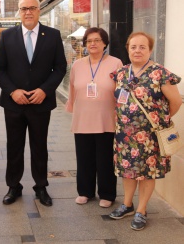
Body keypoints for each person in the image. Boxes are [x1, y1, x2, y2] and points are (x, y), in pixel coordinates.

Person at [0, 0, 67, 207]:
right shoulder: (7, 36)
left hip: (40, 102)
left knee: (39, 146)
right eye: (24, 8)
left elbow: (60, 67)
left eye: (32, 8)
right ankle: (13, 186)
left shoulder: (52, 35)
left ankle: (41, 186)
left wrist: (45, 90)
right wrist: (12, 91)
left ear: (39, 10)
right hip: (13, 103)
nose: (28, 12)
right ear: (18, 11)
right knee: (14, 146)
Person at [108, 32, 182, 230]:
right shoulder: (122, 73)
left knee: (148, 173)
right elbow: (118, 100)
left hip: (150, 136)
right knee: (128, 171)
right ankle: (127, 204)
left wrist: (161, 120)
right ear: (128, 49)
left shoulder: (160, 73)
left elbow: (175, 102)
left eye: (142, 47)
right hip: (124, 135)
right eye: (133, 47)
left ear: (150, 50)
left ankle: (141, 210)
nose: (137, 50)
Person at [65, 27, 122, 208]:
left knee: (105, 159)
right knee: (84, 157)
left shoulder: (115, 62)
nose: (93, 44)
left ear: (104, 43)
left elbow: (121, 90)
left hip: (107, 118)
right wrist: (72, 107)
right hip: (83, 117)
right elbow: (73, 88)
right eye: (89, 41)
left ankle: (107, 193)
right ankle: (85, 191)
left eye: (97, 40)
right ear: (85, 44)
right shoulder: (77, 64)